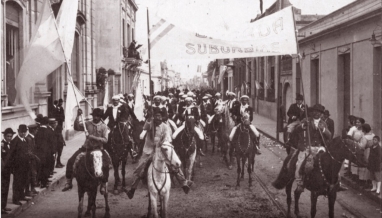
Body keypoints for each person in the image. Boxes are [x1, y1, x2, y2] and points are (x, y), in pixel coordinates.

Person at [125, 109, 193, 199]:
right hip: (148, 150)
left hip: (161, 150)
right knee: (140, 168)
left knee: (174, 163)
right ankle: (132, 189)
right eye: (156, 116)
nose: (158, 118)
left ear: (162, 117)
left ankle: (183, 183)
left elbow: (167, 138)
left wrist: (161, 144)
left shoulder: (165, 126)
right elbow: (145, 127)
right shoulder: (150, 124)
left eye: (159, 116)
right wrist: (149, 118)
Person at [62, 108, 110, 194]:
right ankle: (68, 182)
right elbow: (76, 127)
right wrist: (77, 115)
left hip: (98, 149)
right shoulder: (87, 124)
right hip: (86, 148)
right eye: (94, 115)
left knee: (106, 164)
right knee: (70, 161)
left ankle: (103, 183)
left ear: (100, 117)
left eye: (97, 116)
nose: (95, 118)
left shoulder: (104, 126)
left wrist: (92, 137)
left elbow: (106, 140)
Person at [294, 104, 332, 193]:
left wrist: (323, 130)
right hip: (307, 147)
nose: (316, 114)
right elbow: (297, 129)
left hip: (319, 147)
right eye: (315, 111)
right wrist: (303, 126)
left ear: (321, 114)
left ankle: (334, 183)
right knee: (299, 164)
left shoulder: (323, 123)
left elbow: (329, 135)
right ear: (312, 112)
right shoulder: (306, 120)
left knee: (330, 163)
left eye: (319, 112)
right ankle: (300, 184)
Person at [4, 125, 32, 205]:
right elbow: (11, 154)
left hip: (25, 165)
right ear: (18, 131)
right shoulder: (15, 141)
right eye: (21, 132)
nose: (23, 133)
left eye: (24, 132)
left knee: (23, 180)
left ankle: (21, 195)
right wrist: (13, 166)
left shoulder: (25, 140)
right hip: (18, 166)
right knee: (17, 182)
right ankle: (15, 199)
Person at [35, 117, 54, 188]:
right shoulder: (49, 131)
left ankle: (39, 181)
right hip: (47, 153)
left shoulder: (38, 131)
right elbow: (51, 143)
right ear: (47, 123)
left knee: (40, 167)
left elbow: (36, 142)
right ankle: (44, 182)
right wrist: (52, 152)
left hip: (39, 153)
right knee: (46, 168)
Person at [1, 128, 16, 214]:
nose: (9, 138)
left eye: (11, 136)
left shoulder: (10, 144)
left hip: (8, 170)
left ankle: (3, 206)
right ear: (4, 136)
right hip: (2, 170)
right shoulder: (2, 145)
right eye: (8, 136)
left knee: (6, 188)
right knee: (2, 189)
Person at [24, 124, 40, 197]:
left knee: (33, 174)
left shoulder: (32, 137)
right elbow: (29, 151)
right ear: (33, 130)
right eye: (36, 130)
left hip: (33, 159)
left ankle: (32, 188)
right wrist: (35, 157)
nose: (37, 131)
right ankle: (28, 191)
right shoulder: (29, 139)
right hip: (30, 160)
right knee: (29, 175)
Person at [358, 124, 374, 188]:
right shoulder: (373, 135)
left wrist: (358, 143)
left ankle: (364, 180)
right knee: (370, 166)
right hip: (372, 152)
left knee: (364, 165)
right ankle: (370, 180)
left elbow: (362, 146)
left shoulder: (365, 137)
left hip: (366, 151)